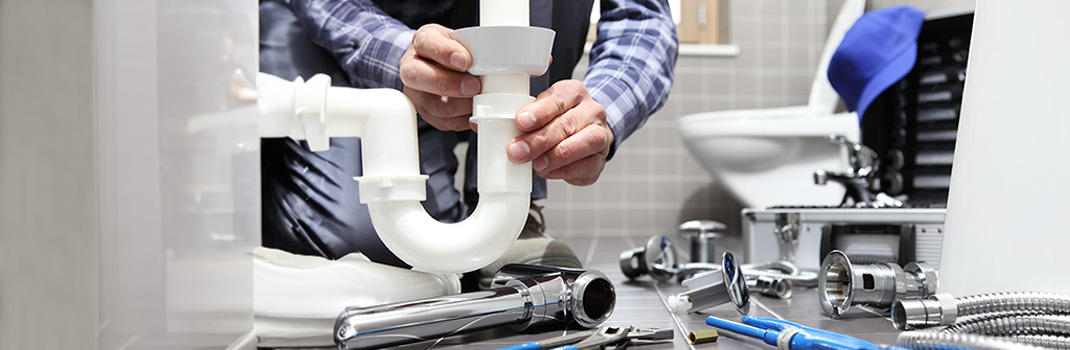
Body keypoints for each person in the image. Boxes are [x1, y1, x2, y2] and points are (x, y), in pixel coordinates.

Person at [259, 0, 678, 283]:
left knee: (422, 259)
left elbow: (643, 16)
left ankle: (509, 204)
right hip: (343, 29)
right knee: (367, 246)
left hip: (483, 34)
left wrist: (597, 111)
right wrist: (398, 57)